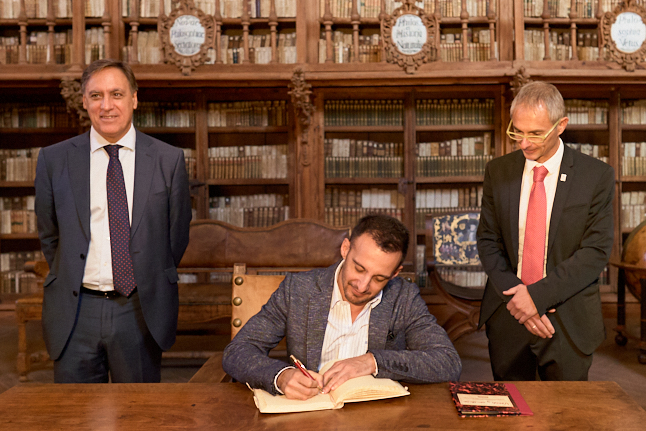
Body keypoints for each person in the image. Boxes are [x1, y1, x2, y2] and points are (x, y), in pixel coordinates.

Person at [34, 59, 192, 383]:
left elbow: (175, 239)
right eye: (96, 96)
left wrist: (141, 276)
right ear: (84, 101)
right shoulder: (53, 160)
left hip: (138, 310)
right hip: (76, 311)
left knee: (139, 416)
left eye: (116, 94)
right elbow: (49, 236)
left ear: (134, 98)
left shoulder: (168, 160)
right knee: (75, 417)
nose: (106, 105)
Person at [223, 214, 461, 400]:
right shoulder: (298, 289)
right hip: (310, 414)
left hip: (378, 418)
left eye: (379, 278)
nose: (362, 285)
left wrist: (372, 362)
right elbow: (238, 351)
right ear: (345, 249)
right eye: (358, 268)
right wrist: (280, 376)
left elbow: (447, 362)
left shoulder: (404, 297)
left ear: (396, 273)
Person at [477, 81, 614, 381]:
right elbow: (488, 241)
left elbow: (595, 252)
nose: (524, 142)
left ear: (561, 125)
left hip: (567, 319)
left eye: (536, 133)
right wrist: (519, 299)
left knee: (567, 418)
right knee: (512, 415)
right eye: (518, 132)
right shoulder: (497, 171)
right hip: (508, 313)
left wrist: (537, 298)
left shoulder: (596, 176)